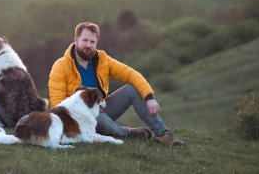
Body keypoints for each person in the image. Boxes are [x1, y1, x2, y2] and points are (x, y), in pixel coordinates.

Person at [48, 22, 186, 146]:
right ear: (75, 40)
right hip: (79, 119)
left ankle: (163, 134)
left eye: (92, 41)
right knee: (107, 125)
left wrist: (149, 97)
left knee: (132, 90)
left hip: (103, 107)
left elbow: (130, 74)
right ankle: (127, 132)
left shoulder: (102, 59)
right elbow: (57, 104)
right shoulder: (60, 66)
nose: (88, 45)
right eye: (84, 40)